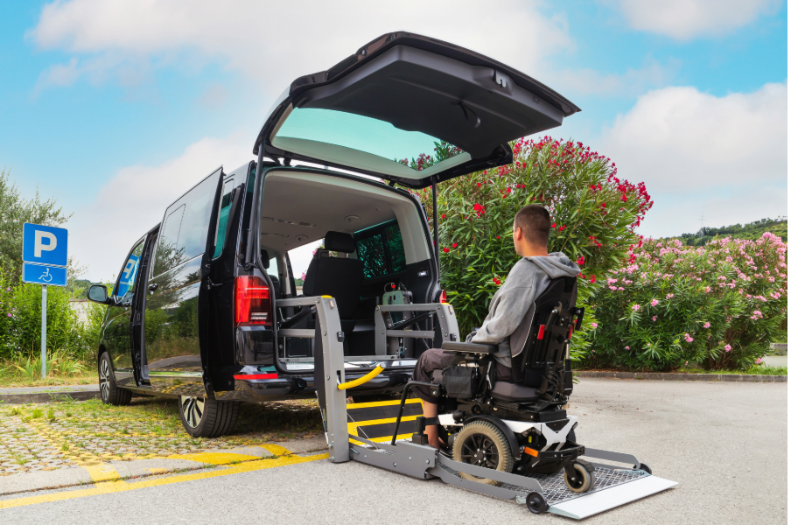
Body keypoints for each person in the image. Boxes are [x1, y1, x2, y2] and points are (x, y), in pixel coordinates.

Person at [412, 204, 581, 449]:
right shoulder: (563, 274)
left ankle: (430, 438)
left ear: (518, 232)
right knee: (445, 359)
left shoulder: (527, 270)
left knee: (427, 361)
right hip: (540, 370)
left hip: (504, 366)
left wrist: (469, 346)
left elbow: (501, 326)